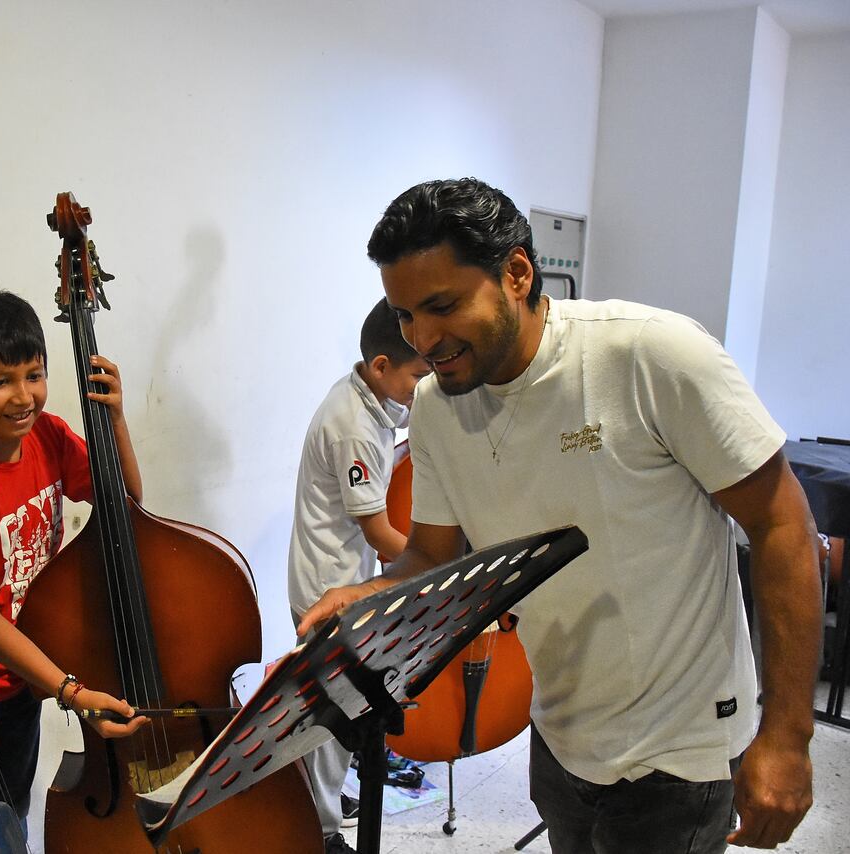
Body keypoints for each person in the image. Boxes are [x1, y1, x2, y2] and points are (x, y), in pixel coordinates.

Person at [298, 178, 822, 853]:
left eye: (442, 306)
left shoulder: (648, 354)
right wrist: (366, 593)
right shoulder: (434, 408)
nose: (423, 339)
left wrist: (787, 736)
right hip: (560, 735)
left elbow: (783, 526)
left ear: (516, 273)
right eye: (404, 316)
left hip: (680, 754)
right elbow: (430, 555)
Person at [0, 290, 147, 822]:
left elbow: (126, 505)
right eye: (0, 381)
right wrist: (69, 689)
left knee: (15, 806)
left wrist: (115, 421)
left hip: (29, 669)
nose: (24, 397)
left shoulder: (47, 434)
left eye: (33, 375)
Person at [287, 298, 432, 854]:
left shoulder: (364, 400)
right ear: (381, 366)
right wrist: (437, 568)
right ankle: (320, 831)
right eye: (419, 374)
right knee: (331, 716)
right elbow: (379, 534)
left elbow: (380, 462)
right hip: (330, 587)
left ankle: (329, 796)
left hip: (332, 573)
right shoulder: (354, 427)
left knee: (344, 708)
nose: (424, 385)